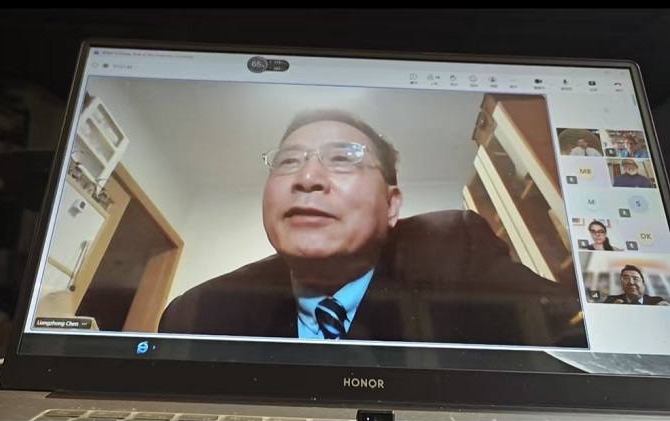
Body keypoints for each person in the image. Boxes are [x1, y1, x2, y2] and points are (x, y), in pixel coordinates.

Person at [159, 109, 586, 347]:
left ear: (391, 204)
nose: (307, 178)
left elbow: (570, 337)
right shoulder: (199, 313)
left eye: (343, 159)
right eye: (289, 161)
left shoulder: (451, 247)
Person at [604, 265, 669, 305]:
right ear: (622, 284)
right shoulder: (611, 301)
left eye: (635, 278)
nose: (631, 282)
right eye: (626, 278)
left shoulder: (656, 302)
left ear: (643, 283)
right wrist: (611, 309)